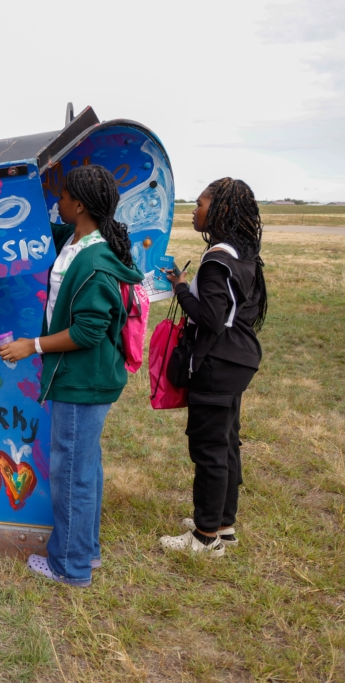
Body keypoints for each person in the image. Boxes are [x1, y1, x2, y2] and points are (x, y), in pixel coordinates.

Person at [0, 164, 143, 586]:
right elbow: (39, 226)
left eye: (62, 196)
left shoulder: (95, 261)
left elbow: (87, 331)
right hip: (81, 379)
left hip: (84, 381)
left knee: (72, 473)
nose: (56, 202)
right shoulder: (75, 241)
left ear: (79, 206)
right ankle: (85, 551)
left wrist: (33, 346)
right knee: (85, 468)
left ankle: (70, 566)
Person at [158, 178, 266, 557]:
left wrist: (182, 288)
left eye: (200, 203)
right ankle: (223, 524)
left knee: (209, 450)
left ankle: (205, 539)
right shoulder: (243, 251)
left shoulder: (216, 259)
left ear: (218, 210)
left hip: (218, 363)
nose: (194, 209)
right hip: (238, 357)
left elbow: (210, 318)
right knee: (226, 443)